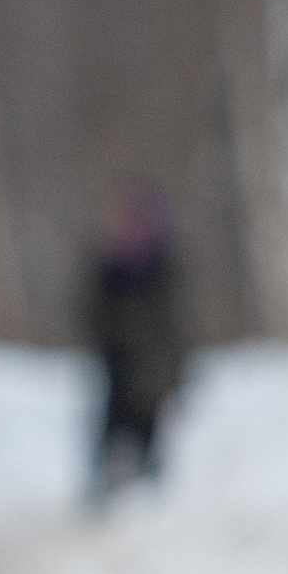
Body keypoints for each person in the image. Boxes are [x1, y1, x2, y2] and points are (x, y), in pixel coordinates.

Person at [82, 176, 186, 496]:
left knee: (149, 424)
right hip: (118, 358)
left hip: (153, 361)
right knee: (112, 421)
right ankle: (103, 486)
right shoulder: (110, 267)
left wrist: (176, 361)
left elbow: (175, 319)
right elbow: (92, 311)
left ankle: (149, 487)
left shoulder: (164, 266)